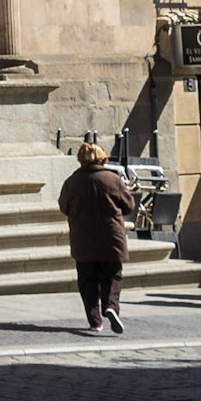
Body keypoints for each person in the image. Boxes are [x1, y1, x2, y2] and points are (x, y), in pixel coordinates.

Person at [58, 141, 134, 334]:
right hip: (111, 235)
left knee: (87, 279)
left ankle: (95, 321)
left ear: (80, 160)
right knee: (112, 274)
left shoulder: (71, 182)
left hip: (82, 237)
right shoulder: (113, 179)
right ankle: (110, 306)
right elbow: (128, 206)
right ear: (102, 158)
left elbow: (63, 207)